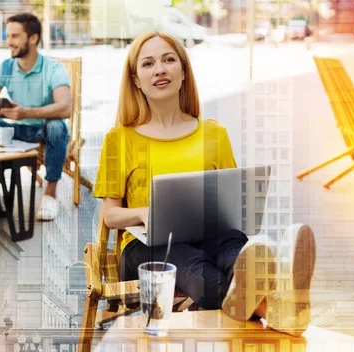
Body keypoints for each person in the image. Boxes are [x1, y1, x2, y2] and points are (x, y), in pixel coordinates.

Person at [93, 31, 316, 335]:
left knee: (233, 250)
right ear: (136, 80)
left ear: (183, 72)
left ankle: (273, 301)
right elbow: (110, 215)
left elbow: (234, 198)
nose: (160, 69)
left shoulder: (213, 134)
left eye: (169, 60)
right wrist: (145, 213)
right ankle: (277, 303)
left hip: (212, 234)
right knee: (195, 266)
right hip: (147, 245)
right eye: (148, 64)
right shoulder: (120, 139)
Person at [0, 13, 72, 221]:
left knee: (56, 126)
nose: (9, 42)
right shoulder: (6, 67)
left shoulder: (53, 68)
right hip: (17, 130)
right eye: (8, 36)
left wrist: (26, 112)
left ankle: (50, 196)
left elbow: (65, 108)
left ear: (33, 38)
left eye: (15, 36)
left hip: (43, 130)